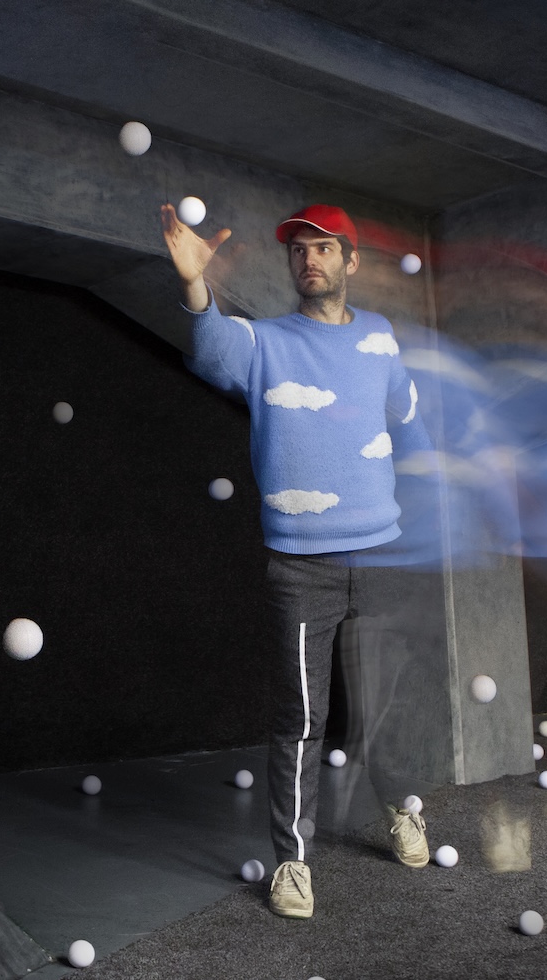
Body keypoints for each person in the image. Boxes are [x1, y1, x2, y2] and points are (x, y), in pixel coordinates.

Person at [161, 202, 433, 920]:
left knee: (386, 705)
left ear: (350, 261)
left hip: (381, 557)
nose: (308, 258)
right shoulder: (266, 343)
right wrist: (195, 286)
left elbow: (408, 418)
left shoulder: (380, 337)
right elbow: (214, 349)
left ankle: (406, 810)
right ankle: (292, 861)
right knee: (301, 719)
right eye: (298, 250)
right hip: (300, 567)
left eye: (324, 247)